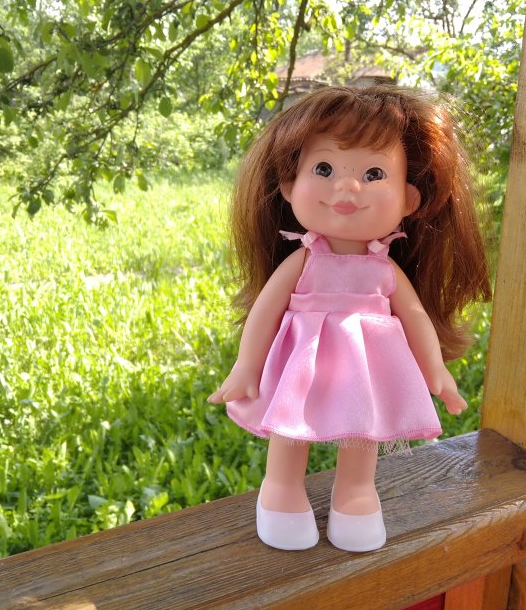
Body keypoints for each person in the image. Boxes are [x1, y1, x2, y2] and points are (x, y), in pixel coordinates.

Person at [208, 84, 491, 552]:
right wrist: (245, 367)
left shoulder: (384, 269)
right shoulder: (304, 259)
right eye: (324, 169)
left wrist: (435, 370)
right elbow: (265, 311)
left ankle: (355, 494)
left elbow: (415, 317)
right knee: (291, 422)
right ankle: (281, 489)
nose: (346, 187)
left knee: (363, 430)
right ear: (289, 186)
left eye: (373, 174)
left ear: (409, 200)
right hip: (303, 359)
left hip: (366, 366)